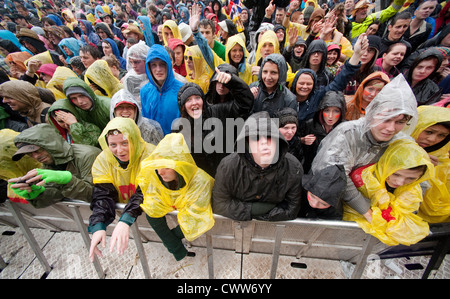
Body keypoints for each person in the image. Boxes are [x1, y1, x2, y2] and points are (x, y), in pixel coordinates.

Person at [307, 74, 418, 222]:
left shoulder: (402, 142)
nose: (391, 128)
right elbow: (333, 174)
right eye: (386, 119)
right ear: (372, 114)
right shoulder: (347, 133)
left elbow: (417, 181)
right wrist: (365, 210)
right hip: (334, 205)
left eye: (399, 122)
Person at [134, 133, 215, 261]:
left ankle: (176, 248)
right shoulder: (156, 178)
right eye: (158, 165)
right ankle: (179, 250)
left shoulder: (200, 181)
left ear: (180, 165)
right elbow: (152, 210)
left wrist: (170, 240)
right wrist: (175, 245)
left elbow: (195, 217)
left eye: (166, 166)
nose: (160, 172)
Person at [212, 111, 303, 221]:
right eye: (256, 138)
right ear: (247, 143)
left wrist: (250, 212)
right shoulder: (228, 166)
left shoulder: (293, 167)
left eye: (269, 137)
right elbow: (219, 204)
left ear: (277, 140)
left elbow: (291, 210)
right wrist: (254, 210)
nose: (264, 142)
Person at [88, 117, 156, 262]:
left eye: (125, 143)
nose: (119, 150)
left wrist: (125, 220)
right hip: (129, 210)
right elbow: (102, 195)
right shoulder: (103, 160)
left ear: (135, 139)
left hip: (147, 210)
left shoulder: (151, 154)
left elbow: (146, 190)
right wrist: (98, 225)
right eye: (113, 144)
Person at [343, 139, 433, 246]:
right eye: (396, 174)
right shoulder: (363, 179)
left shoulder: (414, 189)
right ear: (385, 165)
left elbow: (409, 211)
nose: (400, 182)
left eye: (410, 178)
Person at [174, 67, 253, 176]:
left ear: (203, 100)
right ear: (183, 107)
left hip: (225, 176)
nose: (194, 103)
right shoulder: (180, 128)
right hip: (201, 183)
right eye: (188, 100)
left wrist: (232, 81)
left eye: (197, 98)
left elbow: (244, 104)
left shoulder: (218, 111)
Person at [8, 124, 101, 208]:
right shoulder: (49, 164)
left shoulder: (87, 155)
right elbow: (56, 195)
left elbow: (97, 195)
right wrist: (36, 193)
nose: (36, 156)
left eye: (38, 150)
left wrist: (67, 181)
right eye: (29, 154)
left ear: (50, 144)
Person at [291, 33, 369, 123]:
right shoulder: (286, 98)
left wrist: (356, 55)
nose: (305, 86)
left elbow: (339, 82)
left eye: (309, 84)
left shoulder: (316, 97)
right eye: (301, 83)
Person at [412, 105, 450, 223]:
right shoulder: (389, 149)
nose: (433, 139)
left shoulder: (442, 160)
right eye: (429, 132)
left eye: (441, 136)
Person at [299, 90, 347, 174]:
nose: (330, 116)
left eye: (336, 111)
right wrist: (302, 140)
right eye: (327, 110)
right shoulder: (310, 125)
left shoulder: (345, 128)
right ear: (321, 111)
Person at [140, 44, 184, 135]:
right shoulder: (145, 91)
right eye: (154, 65)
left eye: (162, 64)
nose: (158, 69)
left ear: (168, 64)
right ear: (149, 67)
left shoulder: (181, 90)